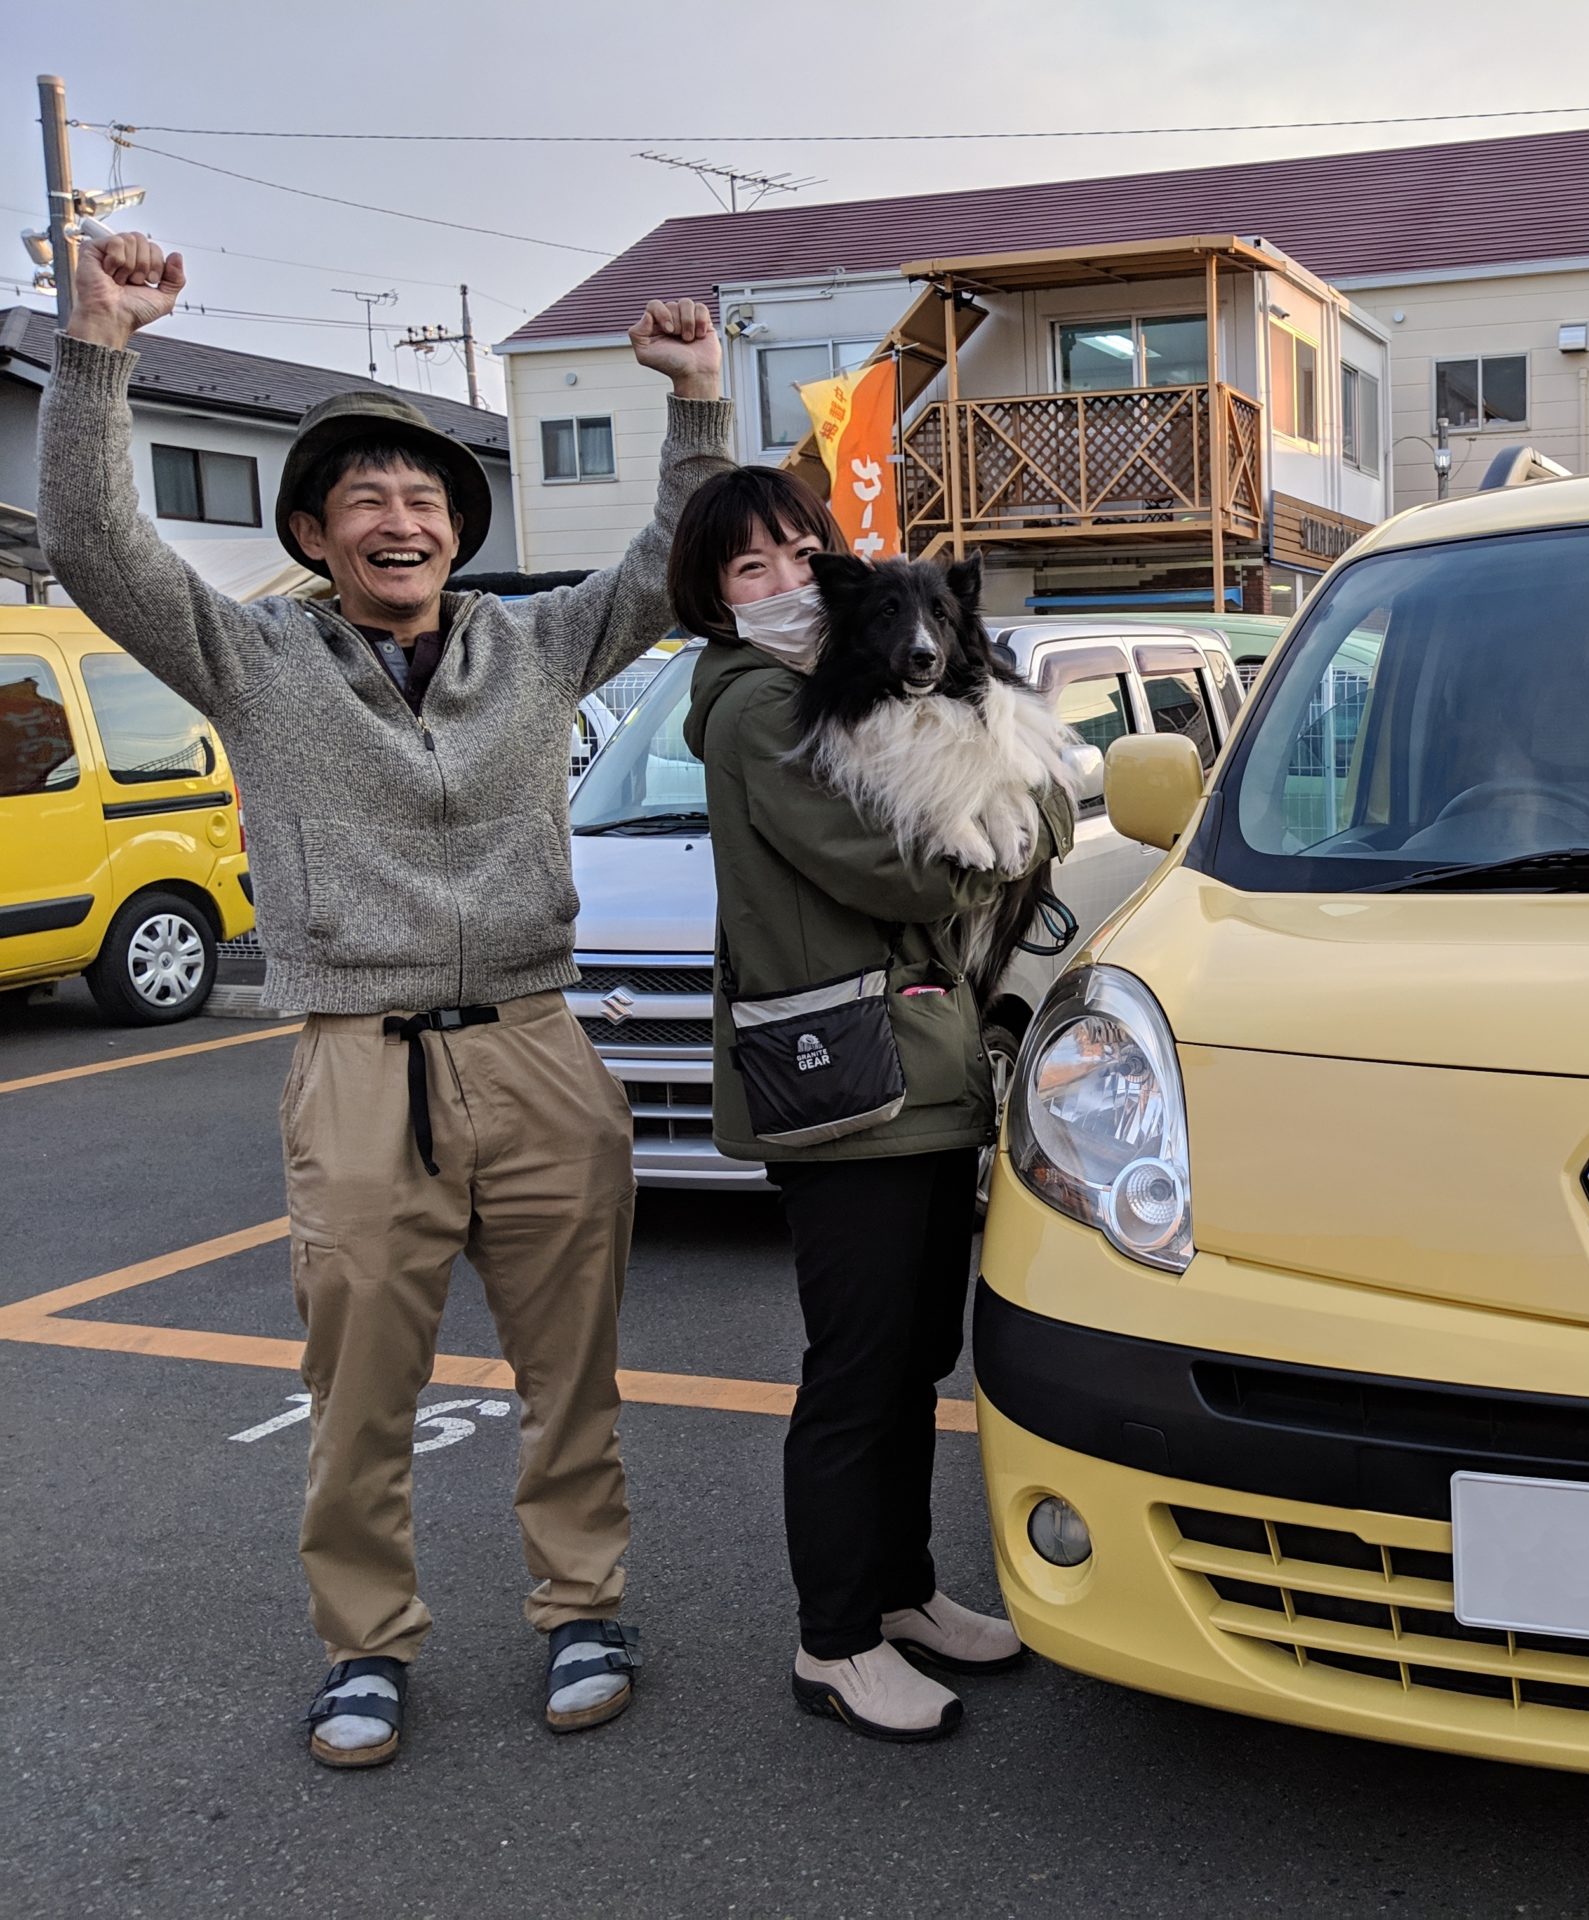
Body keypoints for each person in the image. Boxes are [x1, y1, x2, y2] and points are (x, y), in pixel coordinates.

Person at [36, 231, 736, 1768]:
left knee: (574, 1368)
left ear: (459, 533)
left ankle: (582, 1608)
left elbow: (673, 563)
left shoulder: (540, 646)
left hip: (544, 1047)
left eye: (425, 500)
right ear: (314, 533)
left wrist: (696, 401)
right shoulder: (255, 657)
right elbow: (95, 547)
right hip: (359, 1065)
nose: (400, 519)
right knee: (358, 1386)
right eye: (366, 501)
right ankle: (366, 1646)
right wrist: (98, 352)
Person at [670, 467, 1073, 1741]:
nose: (786, 584)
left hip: (924, 1071)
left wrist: (1020, 812)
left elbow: (1041, 801)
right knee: (857, 1370)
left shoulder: (837, 686)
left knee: (913, 1357)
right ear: (714, 597)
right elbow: (905, 873)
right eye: (751, 569)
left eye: (801, 553)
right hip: (845, 1085)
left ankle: (899, 1591)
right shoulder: (753, 708)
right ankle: (833, 1641)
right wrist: (999, 836)